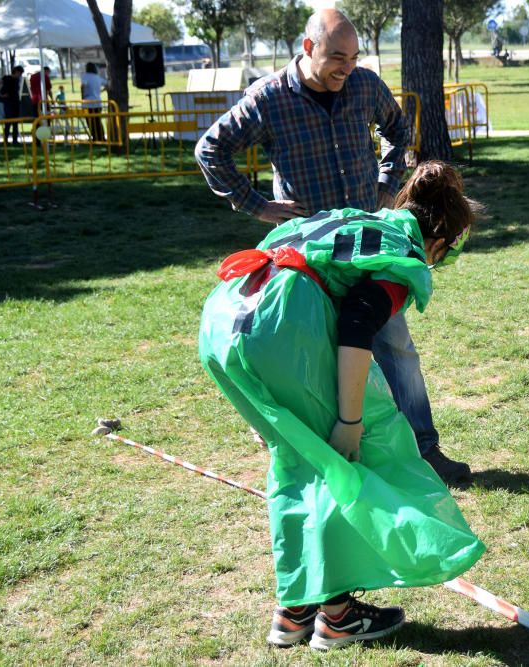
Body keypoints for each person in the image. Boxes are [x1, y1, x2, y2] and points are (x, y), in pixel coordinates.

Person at [198, 161, 486, 650]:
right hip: (279, 326)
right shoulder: (402, 252)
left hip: (224, 320)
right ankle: (336, 617)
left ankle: (295, 612)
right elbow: (356, 329)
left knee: (297, 461)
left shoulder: (358, 220)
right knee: (346, 457)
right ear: (439, 243)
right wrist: (349, 421)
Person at [195, 8, 473, 484]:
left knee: (395, 348)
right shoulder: (268, 99)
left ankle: (425, 451)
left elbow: (397, 130)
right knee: (309, 355)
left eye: (354, 56)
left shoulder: (365, 86)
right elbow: (210, 149)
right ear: (308, 48)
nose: (347, 67)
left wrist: (387, 182)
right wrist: (259, 206)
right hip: (311, 261)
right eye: (337, 57)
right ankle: (320, 452)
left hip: (370, 248)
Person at [0, 65, 25, 145]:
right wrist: (1, 95)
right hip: (8, 103)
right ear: (16, 71)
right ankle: (5, 140)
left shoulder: (17, 80)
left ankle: (15, 140)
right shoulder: (6, 78)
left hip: (15, 102)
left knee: (15, 122)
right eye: (20, 73)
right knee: (8, 122)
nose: (20, 75)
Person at [80, 62, 107, 142]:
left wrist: (82, 97)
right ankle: (101, 137)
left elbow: (83, 86)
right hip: (98, 102)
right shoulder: (97, 77)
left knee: (90, 121)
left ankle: (95, 137)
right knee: (98, 121)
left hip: (88, 102)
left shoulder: (85, 76)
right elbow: (107, 84)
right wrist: (100, 91)